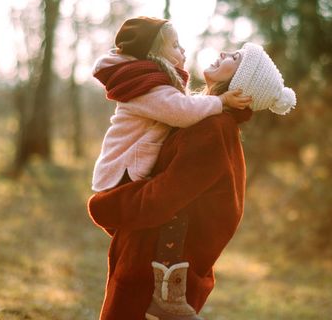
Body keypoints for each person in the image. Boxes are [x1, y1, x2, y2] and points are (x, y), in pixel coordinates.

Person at [88, 40, 296, 320]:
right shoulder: (201, 118)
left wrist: (107, 206)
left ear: (241, 86)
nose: (224, 53)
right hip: (153, 266)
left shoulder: (212, 129)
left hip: (156, 275)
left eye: (234, 58)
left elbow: (163, 198)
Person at [91, 16, 251, 193]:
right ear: (155, 56)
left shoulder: (149, 83)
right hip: (122, 171)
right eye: (175, 45)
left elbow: (184, 106)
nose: (183, 49)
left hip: (126, 169)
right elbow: (184, 111)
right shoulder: (147, 88)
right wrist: (221, 100)